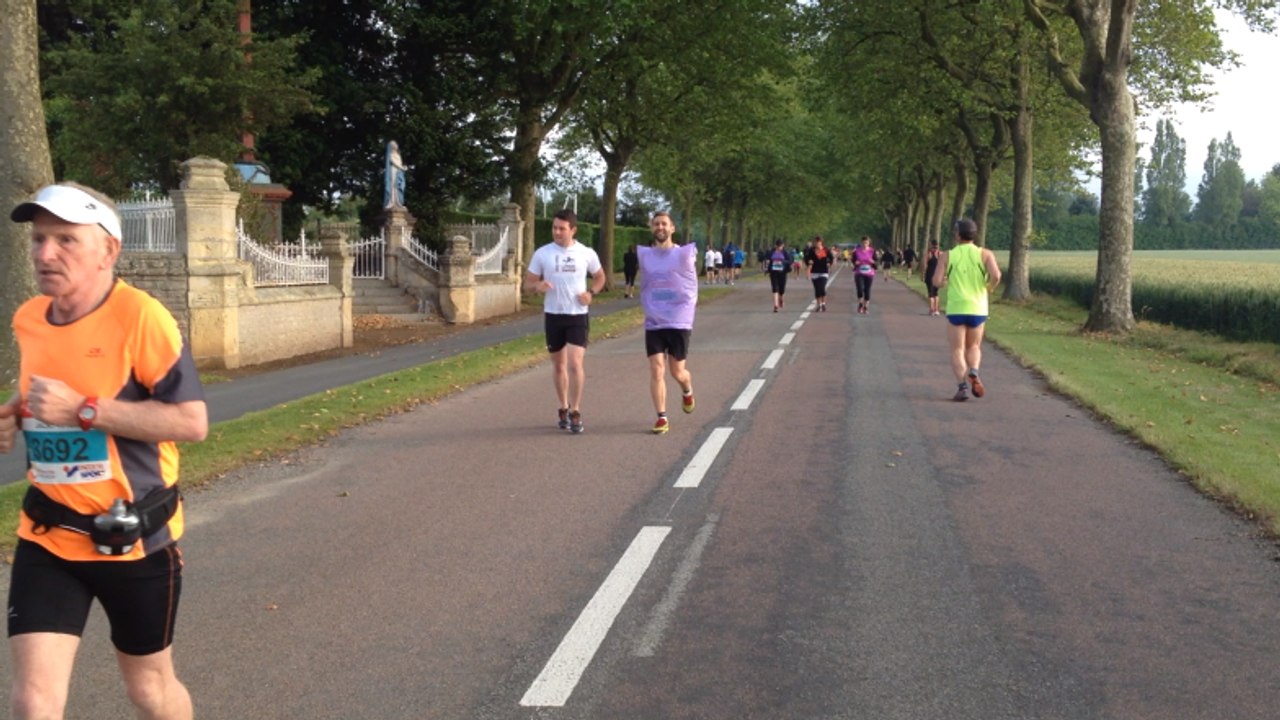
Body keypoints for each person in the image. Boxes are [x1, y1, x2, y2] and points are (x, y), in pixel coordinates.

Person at [1, 182, 208, 719]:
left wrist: (85, 411)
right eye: (40, 239)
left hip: (133, 541)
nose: (46, 253)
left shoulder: (142, 318)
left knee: (150, 691)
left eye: (66, 240)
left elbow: (191, 422)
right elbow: (43, 388)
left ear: (108, 250)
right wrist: (13, 410)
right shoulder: (29, 318)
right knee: (32, 703)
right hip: (48, 536)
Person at [523, 208, 607, 433]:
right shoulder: (543, 253)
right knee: (559, 365)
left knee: (575, 363)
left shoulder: (586, 253)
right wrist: (537, 287)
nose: (557, 232)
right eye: (554, 228)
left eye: (562, 228)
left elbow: (600, 277)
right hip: (553, 314)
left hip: (577, 314)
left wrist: (591, 293)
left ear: (573, 230)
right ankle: (563, 406)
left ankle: (576, 410)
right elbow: (527, 284)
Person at [638, 212, 698, 434]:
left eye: (664, 224)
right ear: (652, 228)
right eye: (656, 224)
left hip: (678, 320)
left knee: (677, 372)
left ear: (672, 228)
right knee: (657, 369)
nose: (660, 227)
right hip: (654, 321)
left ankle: (686, 388)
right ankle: (661, 417)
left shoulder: (684, 254)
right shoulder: (644, 255)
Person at [932, 218, 1003, 401]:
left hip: (956, 307)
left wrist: (946, 281)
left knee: (957, 349)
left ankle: (962, 387)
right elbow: (996, 275)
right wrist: (988, 288)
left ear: (957, 235)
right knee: (974, 346)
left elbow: (936, 282)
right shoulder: (985, 254)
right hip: (978, 307)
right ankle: (974, 370)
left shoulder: (947, 255)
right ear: (974, 234)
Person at [804, 235, 833, 312]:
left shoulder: (826, 250)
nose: (817, 244)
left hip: (823, 271)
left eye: (818, 242)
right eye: (816, 242)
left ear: (821, 242)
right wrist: (809, 262)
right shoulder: (812, 250)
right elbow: (807, 258)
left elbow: (831, 258)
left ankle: (823, 303)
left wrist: (829, 263)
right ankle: (819, 304)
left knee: (822, 288)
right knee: (817, 289)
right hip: (814, 272)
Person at [853, 235, 877, 314]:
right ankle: (860, 303)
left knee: (867, 290)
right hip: (859, 272)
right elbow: (854, 261)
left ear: (869, 243)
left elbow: (876, 262)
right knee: (860, 289)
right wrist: (856, 263)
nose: (864, 244)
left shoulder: (872, 251)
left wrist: (872, 262)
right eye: (863, 243)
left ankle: (866, 306)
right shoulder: (857, 251)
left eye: (866, 243)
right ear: (861, 243)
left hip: (869, 273)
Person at [766, 239, 792, 312]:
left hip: (782, 273)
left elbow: (790, 261)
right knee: (775, 289)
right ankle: (775, 305)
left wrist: (783, 262)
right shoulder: (771, 252)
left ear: (783, 246)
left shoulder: (785, 253)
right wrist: (768, 268)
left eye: (780, 246)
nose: (779, 248)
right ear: (775, 246)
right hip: (773, 273)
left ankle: (781, 298)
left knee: (782, 289)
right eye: (778, 246)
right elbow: (768, 261)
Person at [383, 140, 406, 209]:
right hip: (393, 171)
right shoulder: (390, 154)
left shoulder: (398, 155)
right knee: (393, 185)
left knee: (397, 186)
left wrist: (403, 167)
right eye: (393, 145)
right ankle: (391, 201)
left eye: (395, 145)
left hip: (398, 172)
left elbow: (400, 163)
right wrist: (402, 167)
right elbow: (394, 162)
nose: (395, 147)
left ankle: (398, 202)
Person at [923, 240, 942, 316]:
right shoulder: (940, 254)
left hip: (929, 275)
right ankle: (936, 309)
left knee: (930, 293)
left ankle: (931, 310)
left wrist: (923, 274)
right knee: (936, 293)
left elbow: (925, 265)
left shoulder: (929, 254)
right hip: (937, 276)